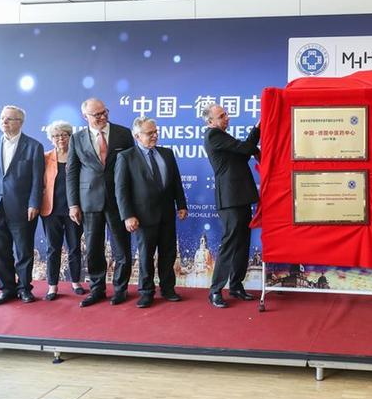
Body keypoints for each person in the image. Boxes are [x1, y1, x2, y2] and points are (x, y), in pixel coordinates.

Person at [67, 98, 134, 307]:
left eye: (105, 112)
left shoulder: (123, 133)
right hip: (89, 201)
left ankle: (120, 289)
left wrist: (131, 202)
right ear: (85, 116)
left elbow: (132, 168)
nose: (103, 116)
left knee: (121, 248)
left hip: (118, 200)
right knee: (94, 248)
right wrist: (73, 204)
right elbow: (72, 172)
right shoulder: (77, 138)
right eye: (97, 114)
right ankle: (97, 289)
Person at [115, 117, 188, 308]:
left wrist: (181, 205)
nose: (155, 135)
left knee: (168, 253)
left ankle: (168, 288)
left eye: (156, 132)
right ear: (137, 136)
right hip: (142, 216)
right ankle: (146, 292)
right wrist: (128, 215)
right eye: (150, 133)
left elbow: (176, 182)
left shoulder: (167, 153)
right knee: (146, 256)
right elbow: (121, 190)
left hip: (167, 213)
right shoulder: (126, 157)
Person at [0, 105, 44, 305]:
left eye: (9, 119)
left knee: (24, 252)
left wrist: (34, 203)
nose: (4, 121)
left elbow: (37, 179)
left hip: (22, 208)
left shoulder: (33, 146)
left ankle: (24, 289)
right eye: (2, 118)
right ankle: (7, 289)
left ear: (20, 122)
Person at [202, 104, 260, 308]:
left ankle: (236, 285)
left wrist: (257, 132)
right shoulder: (213, 135)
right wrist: (257, 137)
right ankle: (215, 290)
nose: (227, 117)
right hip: (229, 199)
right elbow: (246, 149)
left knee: (243, 242)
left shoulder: (224, 138)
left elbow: (243, 154)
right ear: (210, 121)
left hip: (240, 196)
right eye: (221, 115)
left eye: (226, 114)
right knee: (230, 243)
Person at [40, 120, 85, 300]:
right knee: (53, 248)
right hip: (51, 210)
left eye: (64, 135)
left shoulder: (78, 157)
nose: (60, 138)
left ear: (70, 137)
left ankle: (76, 282)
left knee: (74, 247)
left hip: (74, 209)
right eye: (56, 135)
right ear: (51, 138)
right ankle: (52, 286)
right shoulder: (45, 158)